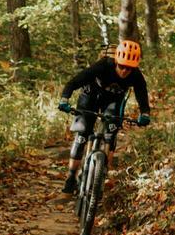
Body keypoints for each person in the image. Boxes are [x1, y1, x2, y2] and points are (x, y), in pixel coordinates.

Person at [58, 38, 152, 194]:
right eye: (121, 66)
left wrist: (145, 113)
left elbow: (142, 94)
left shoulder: (136, 75)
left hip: (113, 100)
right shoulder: (103, 65)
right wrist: (64, 99)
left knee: (111, 132)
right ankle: (71, 177)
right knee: (82, 133)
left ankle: (101, 175)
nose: (124, 71)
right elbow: (75, 81)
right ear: (116, 62)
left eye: (128, 68)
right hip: (91, 96)